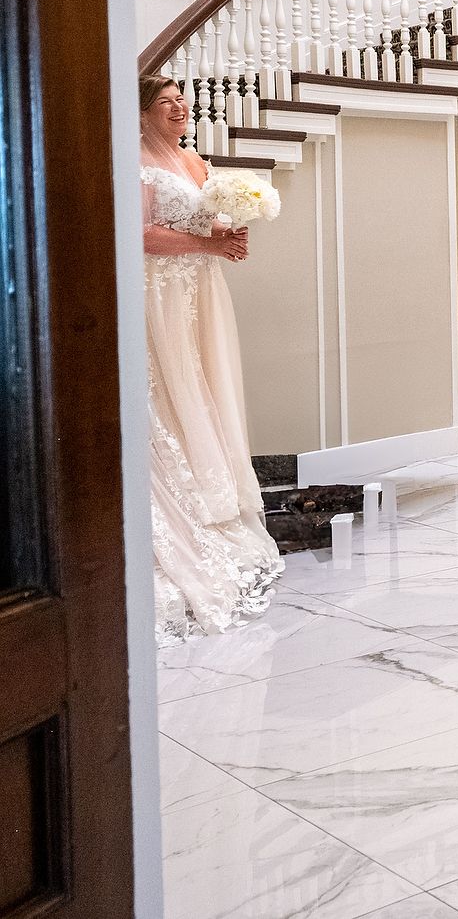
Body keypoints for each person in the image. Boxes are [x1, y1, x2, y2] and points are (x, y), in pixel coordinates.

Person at [138, 75, 281, 642]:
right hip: (160, 291)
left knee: (208, 383)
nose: (179, 109)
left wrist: (230, 229)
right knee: (171, 387)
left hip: (202, 290)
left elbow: (203, 218)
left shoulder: (195, 161)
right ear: (143, 113)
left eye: (181, 100)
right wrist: (208, 244)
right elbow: (139, 233)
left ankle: (220, 493)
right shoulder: (131, 161)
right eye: (165, 102)